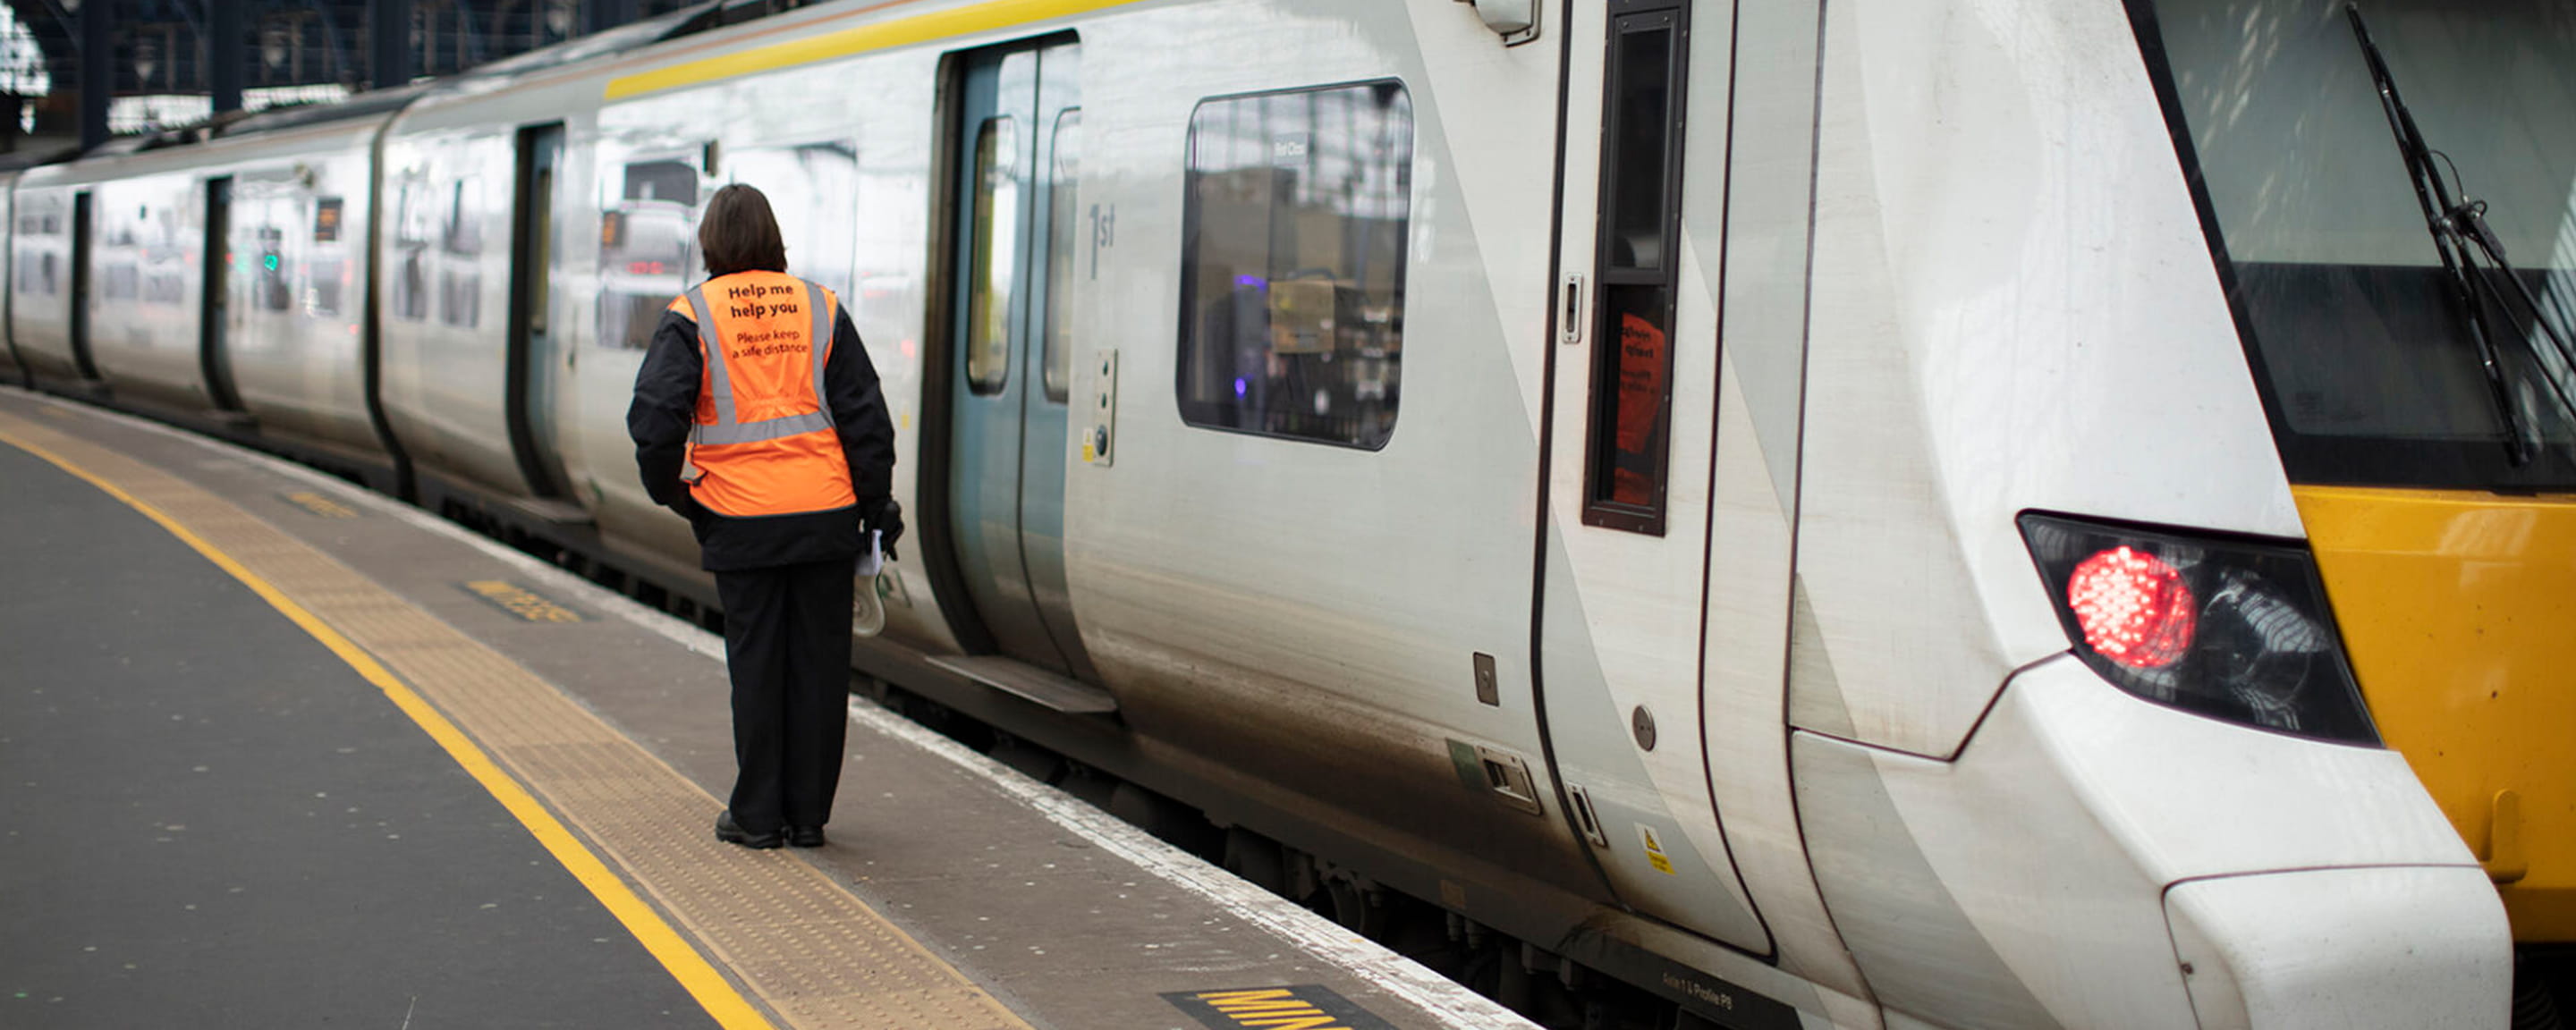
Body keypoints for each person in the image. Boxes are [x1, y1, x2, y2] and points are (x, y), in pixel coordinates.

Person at [627, 183, 902, 850]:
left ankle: (757, 817)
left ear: (710, 242)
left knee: (757, 668)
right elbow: (866, 421)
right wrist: (876, 507)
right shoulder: (820, 307)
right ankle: (808, 818)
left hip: (740, 519)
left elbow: (655, 422)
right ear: (774, 236)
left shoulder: (693, 314)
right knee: (819, 669)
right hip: (825, 517)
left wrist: (677, 494)